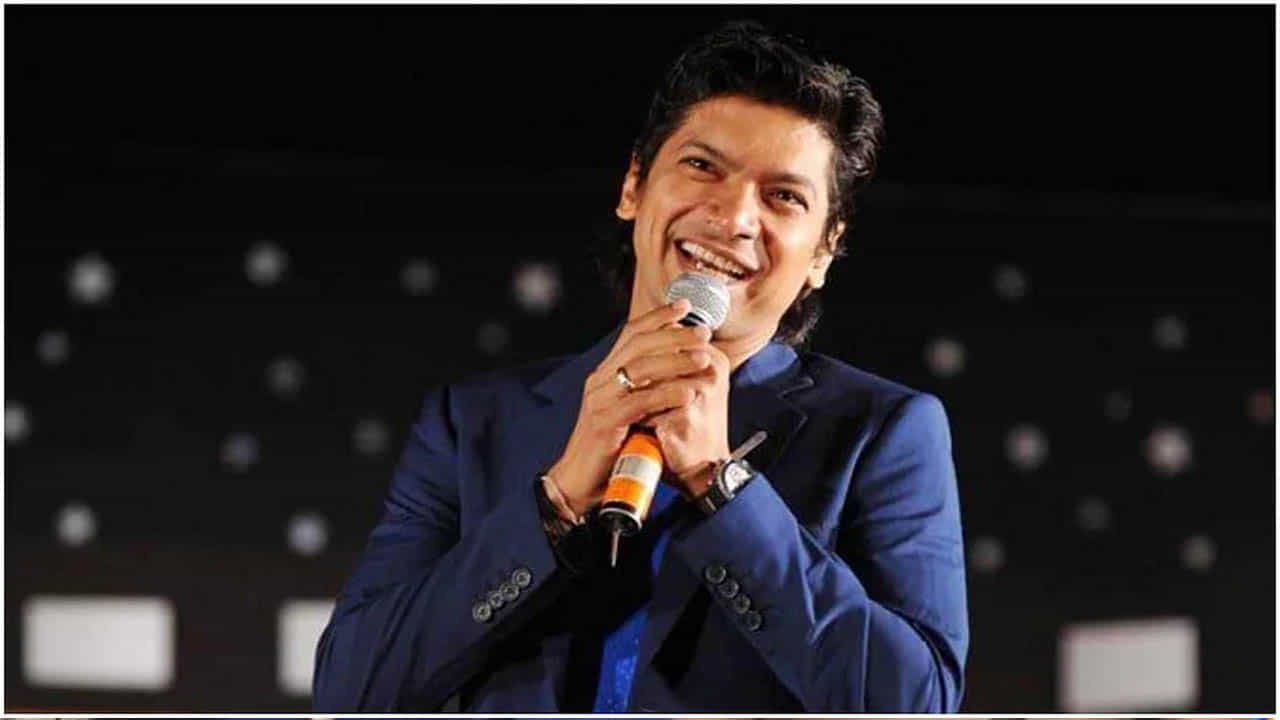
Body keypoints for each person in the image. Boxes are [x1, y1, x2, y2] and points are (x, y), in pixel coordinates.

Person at [313, 19, 968, 712]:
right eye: (703, 167)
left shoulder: (881, 432)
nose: (733, 217)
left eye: (784, 196)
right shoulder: (473, 422)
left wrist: (722, 488)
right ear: (633, 185)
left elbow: (915, 703)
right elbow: (351, 693)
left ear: (823, 253)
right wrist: (556, 503)